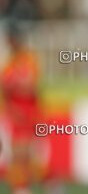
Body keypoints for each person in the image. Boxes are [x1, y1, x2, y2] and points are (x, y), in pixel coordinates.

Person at [1, 23, 43, 194]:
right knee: (16, 156)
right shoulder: (9, 63)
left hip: (29, 114)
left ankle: (25, 188)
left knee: (28, 155)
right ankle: (20, 189)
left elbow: (31, 86)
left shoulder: (28, 59)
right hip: (15, 116)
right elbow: (5, 89)